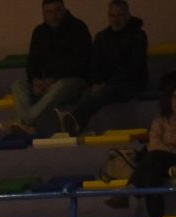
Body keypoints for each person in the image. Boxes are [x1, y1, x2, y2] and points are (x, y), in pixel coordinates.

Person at [56, 1, 148, 135]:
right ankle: (77, 124)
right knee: (89, 92)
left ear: (128, 16)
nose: (116, 20)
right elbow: (95, 64)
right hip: (108, 84)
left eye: (119, 15)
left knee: (103, 92)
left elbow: (133, 68)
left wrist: (104, 84)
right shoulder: (102, 37)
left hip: (131, 83)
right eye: (112, 16)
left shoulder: (138, 36)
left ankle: (74, 118)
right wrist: (96, 82)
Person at [7, 0, 93, 136]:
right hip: (47, 82)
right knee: (18, 85)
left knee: (60, 85)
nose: (54, 16)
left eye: (57, 11)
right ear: (43, 14)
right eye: (49, 12)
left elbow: (81, 63)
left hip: (75, 81)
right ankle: (27, 123)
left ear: (64, 10)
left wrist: (52, 80)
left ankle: (25, 121)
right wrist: (35, 80)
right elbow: (32, 62)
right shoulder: (39, 32)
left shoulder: (78, 28)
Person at [130, 81, 176, 217]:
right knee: (151, 170)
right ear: (169, 100)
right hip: (161, 162)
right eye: (175, 97)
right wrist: (171, 149)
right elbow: (154, 144)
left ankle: (132, 188)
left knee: (151, 161)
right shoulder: (160, 121)